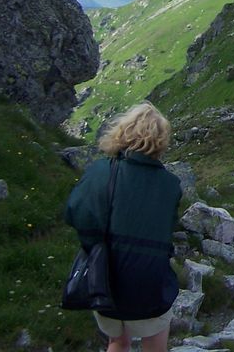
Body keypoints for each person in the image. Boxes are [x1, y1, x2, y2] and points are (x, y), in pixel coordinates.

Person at [65, 103, 182, 352]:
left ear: (123, 131)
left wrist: (96, 246)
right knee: (155, 336)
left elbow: (75, 212)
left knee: (117, 340)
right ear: (161, 141)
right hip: (149, 279)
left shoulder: (100, 171)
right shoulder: (170, 184)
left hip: (105, 277)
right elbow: (167, 228)